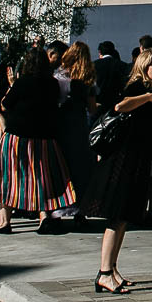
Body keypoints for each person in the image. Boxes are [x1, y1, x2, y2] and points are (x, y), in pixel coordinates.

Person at [85, 49, 152, 293]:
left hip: (138, 159)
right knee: (117, 216)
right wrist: (149, 98)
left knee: (124, 219)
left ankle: (112, 268)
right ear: (144, 66)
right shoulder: (137, 87)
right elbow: (121, 106)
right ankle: (104, 272)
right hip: (124, 159)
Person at [0, 48, 75, 233]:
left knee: (8, 177)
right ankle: (43, 217)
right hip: (44, 137)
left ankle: (5, 222)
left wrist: (12, 84)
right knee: (41, 178)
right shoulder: (52, 83)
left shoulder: (22, 82)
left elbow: (5, 104)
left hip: (17, 136)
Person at [53, 42, 98, 219]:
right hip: (80, 125)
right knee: (82, 168)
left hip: (62, 125)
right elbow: (93, 108)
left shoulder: (60, 77)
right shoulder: (88, 80)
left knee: (62, 165)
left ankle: (60, 204)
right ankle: (81, 210)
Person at [93, 40, 128, 110]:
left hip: (97, 103)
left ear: (100, 52)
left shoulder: (93, 65)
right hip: (115, 104)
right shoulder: (122, 65)